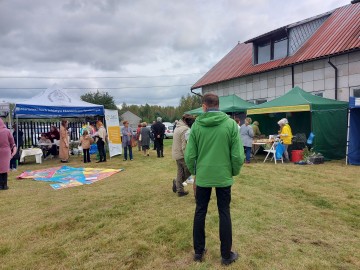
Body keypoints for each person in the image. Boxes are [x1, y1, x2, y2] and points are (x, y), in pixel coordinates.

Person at [185, 93, 244, 265]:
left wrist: (195, 173)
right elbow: (238, 156)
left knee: (200, 211)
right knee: (224, 211)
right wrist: (232, 171)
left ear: (204, 106)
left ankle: (198, 252)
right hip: (223, 176)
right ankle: (226, 255)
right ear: (218, 105)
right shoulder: (231, 125)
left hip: (203, 176)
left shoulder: (196, 126)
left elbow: (190, 155)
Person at [172, 114, 195, 197]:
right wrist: (188, 157)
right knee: (190, 170)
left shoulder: (178, 127)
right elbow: (184, 146)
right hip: (182, 155)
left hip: (176, 153)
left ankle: (180, 190)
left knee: (180, 172)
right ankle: (177, 183)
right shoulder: (185, 129)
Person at [0, 118, 17, 190]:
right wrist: (13, 152)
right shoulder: (7, 131)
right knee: (5, 168)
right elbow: (12, 142)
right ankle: (5, 185)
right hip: (6, 151)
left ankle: (0, 185)